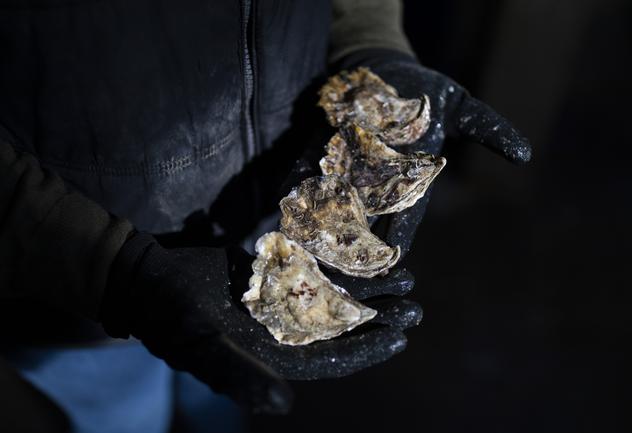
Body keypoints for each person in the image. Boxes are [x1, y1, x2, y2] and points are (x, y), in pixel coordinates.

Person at [0, 0, 530, 431]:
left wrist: (368, 40)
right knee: (124, 418)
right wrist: (98, 262)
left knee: (233, 398)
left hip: (275, 208)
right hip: (79, 290)